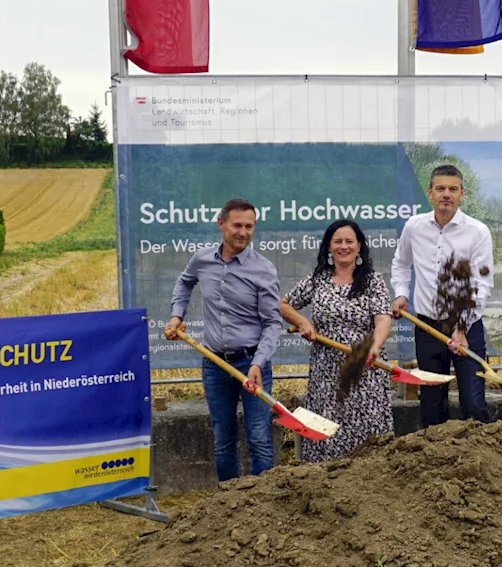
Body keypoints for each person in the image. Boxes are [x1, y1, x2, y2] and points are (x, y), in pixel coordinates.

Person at [164, 198, 282, 483]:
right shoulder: (202, 259)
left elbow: (272, 322)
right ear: (221, 224)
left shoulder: (263, 269)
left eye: (249, 226)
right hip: (215, 364)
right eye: (237, 225)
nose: (243, 232)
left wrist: (257, 363)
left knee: (258, 438)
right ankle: (227, 507)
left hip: (252, 364)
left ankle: (262, 506)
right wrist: (177, 314)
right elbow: (184, 282)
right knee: (223, 439)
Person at [280, 219, 394, 463]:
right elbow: (284, 304)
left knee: (367, 431)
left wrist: (374, 347)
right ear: (329, 247)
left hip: (364, 369)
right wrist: (304, 323)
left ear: (359, 246)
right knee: (328, 429)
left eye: (349, 241)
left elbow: (383, 319)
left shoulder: (374, 280)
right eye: (338, 241)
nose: (344, 247)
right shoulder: (318, 280)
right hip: (327, 371)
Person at [390, 164, 495, 428]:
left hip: (467, 327)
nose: (446, 194)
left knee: (473, 402)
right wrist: (401, 294)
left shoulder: (477, 232)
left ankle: (481, 461)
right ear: (430, 193)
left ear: (462, 193)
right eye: (440, 189)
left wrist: (461, 327)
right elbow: (401, 263)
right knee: (432, 403)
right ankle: (436, 465)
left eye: (452, 189)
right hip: (427, 327)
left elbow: (482, 284)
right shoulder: (414, 227)